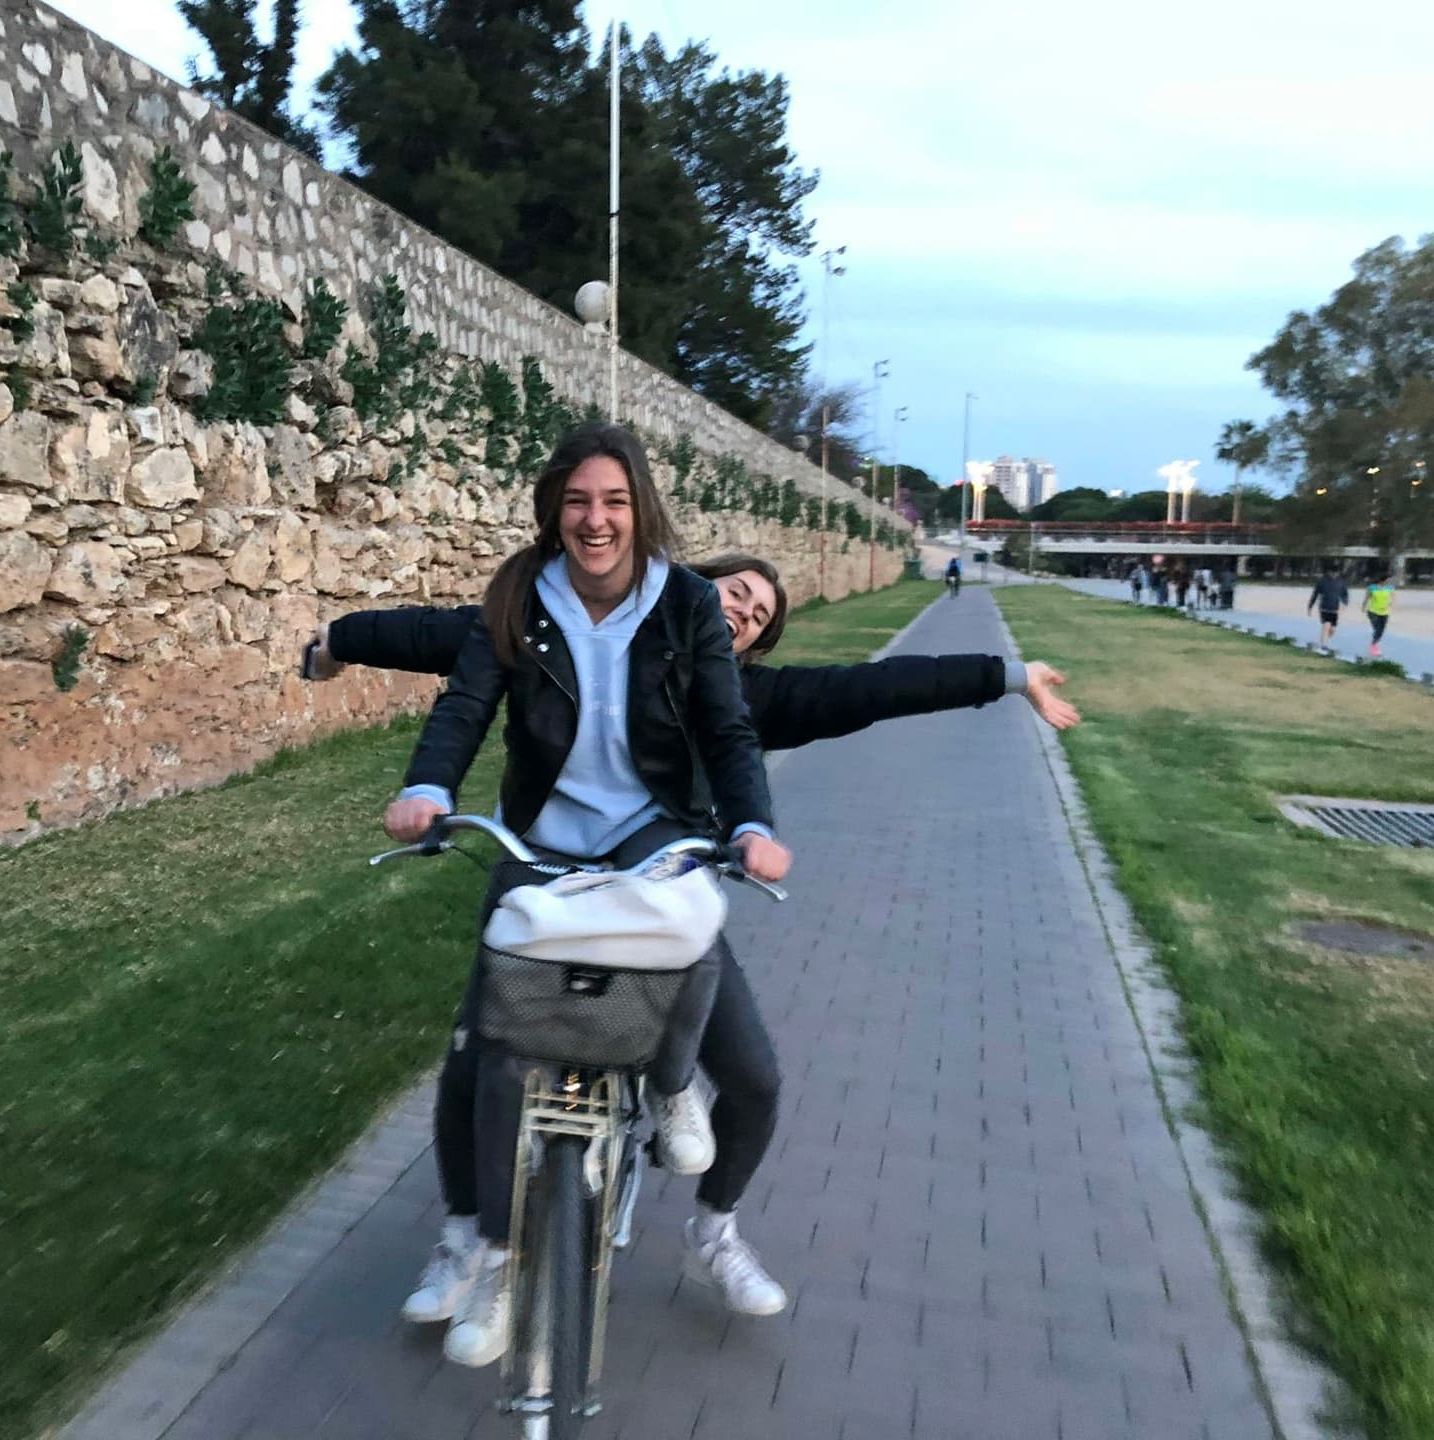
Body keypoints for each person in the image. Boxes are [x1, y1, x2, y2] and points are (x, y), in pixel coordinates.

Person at [309, 552, 1082, 1336]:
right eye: (735, 593)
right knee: (472, 1063)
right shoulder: (571, 634)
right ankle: (463, 1240)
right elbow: (437, 635)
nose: (742, 613)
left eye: (756, 619)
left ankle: (714, 1232)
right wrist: (338, 639)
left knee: (754, 1080)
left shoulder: (739, 698)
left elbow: (872, 689)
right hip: (545, 886)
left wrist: (1010, 677)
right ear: (692, 584)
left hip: (657, 908)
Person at [377, 423, 790, 1367]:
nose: (595, 520)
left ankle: (685, 1126)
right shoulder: (522, 595)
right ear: (553, 510)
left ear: (639, 507)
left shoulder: (686, 602)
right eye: (576, 502)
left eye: (612, 501)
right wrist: (430, 787)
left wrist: (752, 827)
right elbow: (465, 704)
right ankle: (480, 1247)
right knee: (481, 1056)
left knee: (755, 1073)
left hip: (652, 847)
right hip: (542, 847)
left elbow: (728, 731)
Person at [1308, 563, 1348, 648]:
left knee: (1332, 630)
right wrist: (1310, 606)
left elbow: (1345, 594)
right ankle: (1324, 646)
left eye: (1336, 572)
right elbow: (1315, 594)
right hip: (1324, 608)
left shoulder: (1341, 582)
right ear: (1329, 572)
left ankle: (1323, 641)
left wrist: (1345, 603)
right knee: (1326, 626)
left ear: (1338, 573)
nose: (1334, 574)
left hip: (1335, 609)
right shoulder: (1322, 581)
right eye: (1332, 572)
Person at [1363, 573, 1395, 656]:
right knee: (1377, 629)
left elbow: (1393, 597)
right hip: (1373, 612)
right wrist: (1363, 607)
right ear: (1383, 580)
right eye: (1388, 579)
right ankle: (1374, 647)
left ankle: (1374, 645)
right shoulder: (1372, 587)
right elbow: (1366, 598)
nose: (1390, 581)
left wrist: (1390, 603)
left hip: (1384, 613)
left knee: (1381, 631)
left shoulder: (1390, 588)